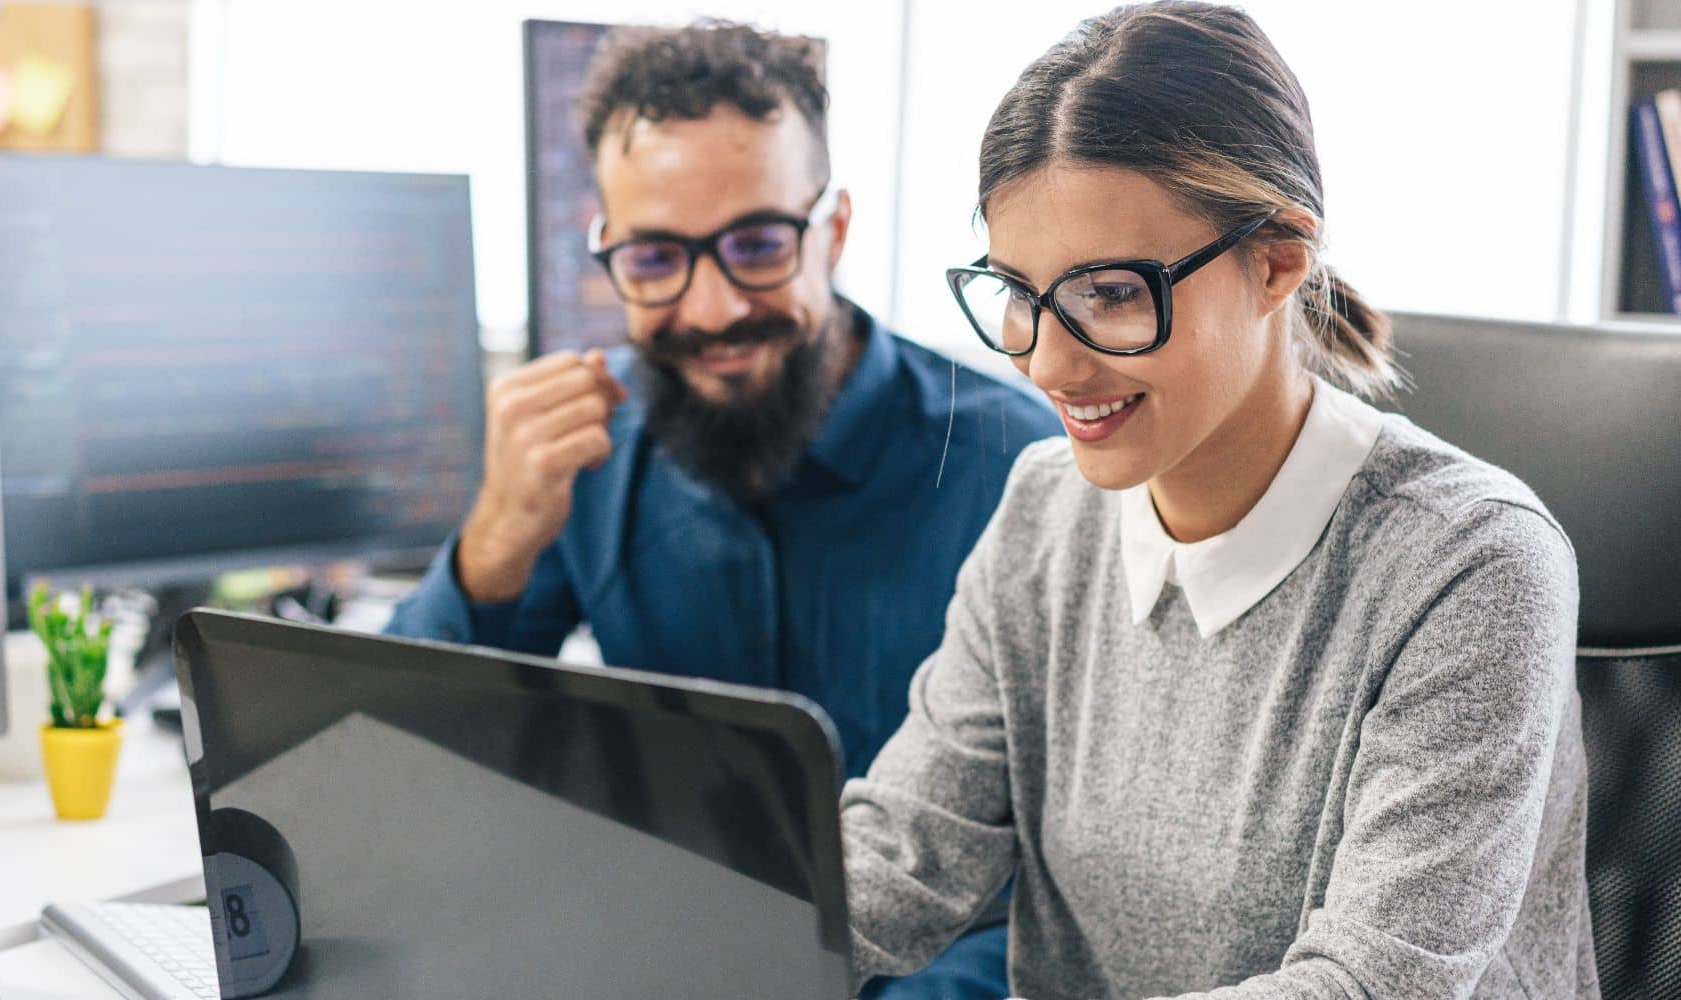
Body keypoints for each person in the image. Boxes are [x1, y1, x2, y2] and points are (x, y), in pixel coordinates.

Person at [839, 3, 1598, 997]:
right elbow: (906, 856)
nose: (1047, 362)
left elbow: (1369, 983)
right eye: (1017, 293)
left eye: (1108, 293)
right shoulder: (1043, 508)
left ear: (1277, 260)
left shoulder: (1472, 563)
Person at [384, 20, 1061, 998]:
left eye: (754, 245)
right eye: (654, 259)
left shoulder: (1012, 467)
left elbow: (1063, 886)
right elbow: (399, 752)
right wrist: (490, 544)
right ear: (607, 252)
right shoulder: (589, 445)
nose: (707, 310)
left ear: (830, 232)